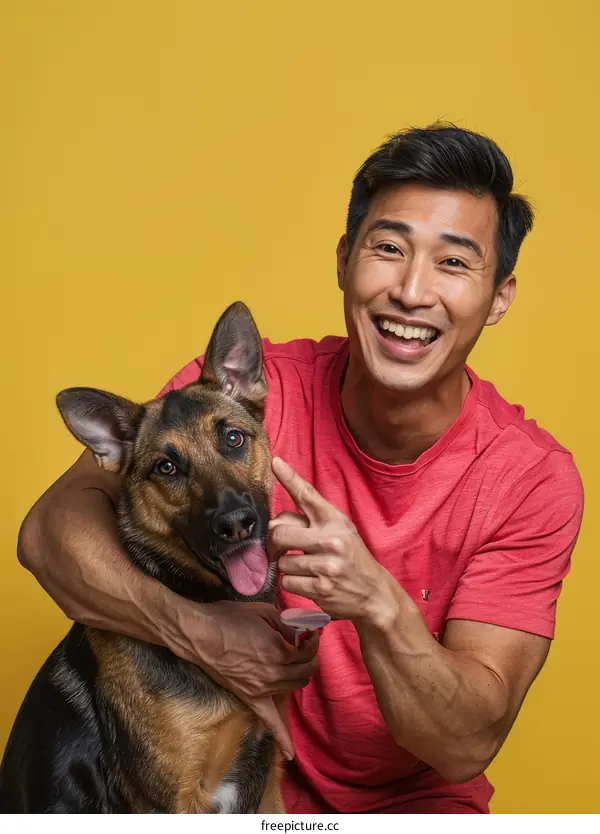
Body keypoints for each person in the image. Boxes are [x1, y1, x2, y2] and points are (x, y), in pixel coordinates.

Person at [17, 124, 584, 814]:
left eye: (453, 263)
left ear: (498, 296)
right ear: (346, 260)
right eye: (388, 248)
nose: (410, 290)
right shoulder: (236, 405)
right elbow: (47, 534)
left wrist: (378, 603)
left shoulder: (529, 480)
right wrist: (201, 633)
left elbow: (465, 745)